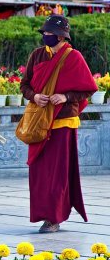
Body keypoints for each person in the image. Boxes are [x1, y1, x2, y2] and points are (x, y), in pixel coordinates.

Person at [20, 15, 98, 233]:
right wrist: (35, 96)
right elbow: (24, 86)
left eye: (50, 33)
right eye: (44, 33)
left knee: (57, 173)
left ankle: (54, 217)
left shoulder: (73, 57)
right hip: (39, 121)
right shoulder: (37, 55)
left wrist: (65, 96)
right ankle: (42, 212)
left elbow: (88, 89)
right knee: (38, 172)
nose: (46, 36)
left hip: (63, 122)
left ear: (61, 36)